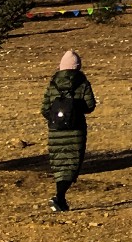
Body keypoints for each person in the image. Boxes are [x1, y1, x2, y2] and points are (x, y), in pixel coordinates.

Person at [40, 51, 97, 212]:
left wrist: (57, 117)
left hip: (56, 130)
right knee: (72, 165)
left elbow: (44, 109)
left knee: (60, 165)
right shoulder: (83, 82)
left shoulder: (53, 83)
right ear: (78, 66)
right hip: (76, 129)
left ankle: (60, 199)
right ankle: (59, 198)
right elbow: (90, 106)